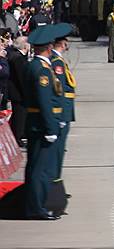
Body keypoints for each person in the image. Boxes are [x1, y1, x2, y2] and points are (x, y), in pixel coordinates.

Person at [23, 23, 68, 220]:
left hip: (35, 121)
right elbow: (44, 101)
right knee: (40, 169)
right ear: (49, 48)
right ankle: (37, 207)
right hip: (41, 124)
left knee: (35, 166)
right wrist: (51, 126)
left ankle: (33, 205)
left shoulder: (33, 65)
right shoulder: (41, 70)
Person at [50, 23, 75, 181]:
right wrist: (59, 116)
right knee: (57, 150)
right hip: (61, 112)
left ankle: (55, 182)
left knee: (60, 149)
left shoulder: (59, 60)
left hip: (65, 110)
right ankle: (54, 183)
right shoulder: (57, 63)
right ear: (63, 43)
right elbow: (58, 90)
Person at [6, 35, 29, 145]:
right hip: (18, 93)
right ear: (25, 45)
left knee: (18, 115)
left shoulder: (18, 56)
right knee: (20, 116)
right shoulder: (18, 58)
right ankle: (18, 137)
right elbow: (21, 78)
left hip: (17, 92)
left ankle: (19, 135)